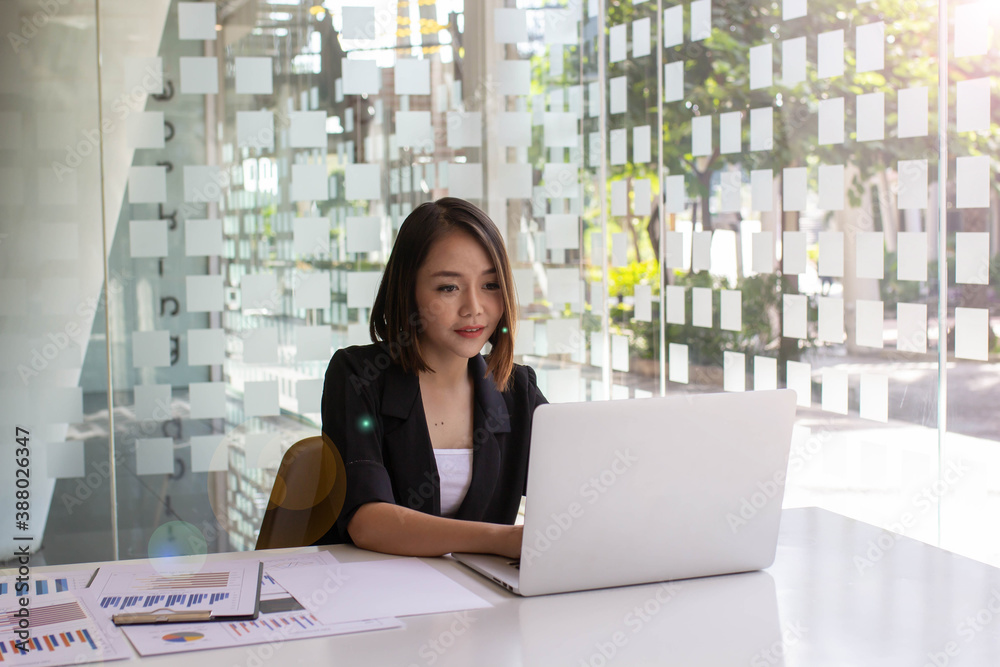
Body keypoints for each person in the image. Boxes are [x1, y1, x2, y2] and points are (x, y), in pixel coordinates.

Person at [314, 197, 548, 559]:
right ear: (408, 291)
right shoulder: (358, 376)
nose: (474, 307)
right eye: (448, 288)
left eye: (489, 285)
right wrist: (502, 540)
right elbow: (368, 521)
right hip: (368, 597)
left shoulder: (517, 390)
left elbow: (576, 490)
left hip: (476, 600)